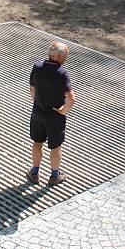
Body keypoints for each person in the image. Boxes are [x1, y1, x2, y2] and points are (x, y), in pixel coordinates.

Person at [26, 42, 77, 186]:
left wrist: (37, 103)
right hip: (54, 118)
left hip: (37, 113)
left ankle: (35, 173)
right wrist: (63, 111)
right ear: (60, 57)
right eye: (66, 56)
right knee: (55, 147)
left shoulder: (37, 66)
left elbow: (32, 89)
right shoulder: (62, 72)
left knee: (37, 142)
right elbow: (72, 98)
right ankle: (55, 176)